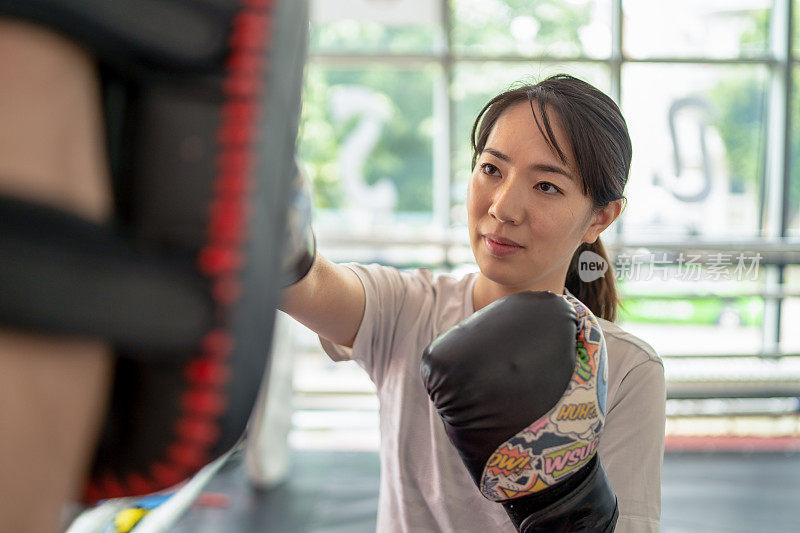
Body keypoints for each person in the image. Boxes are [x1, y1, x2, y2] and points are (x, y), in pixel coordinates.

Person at [282, 74, 665, 532]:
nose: (503, 208)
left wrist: (566, 500)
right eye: (491, 169)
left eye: (546, 186)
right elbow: (302, 282)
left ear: (600, 218)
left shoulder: (624, 368)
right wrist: (268, 190)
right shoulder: (407, 308)